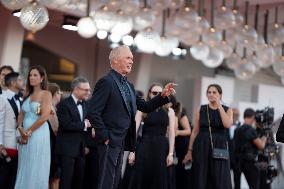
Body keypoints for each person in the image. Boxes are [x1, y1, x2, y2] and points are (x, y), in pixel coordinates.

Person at [87, 45, 176, 189]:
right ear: (115, 60)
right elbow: (93, 111)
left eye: (132, 59)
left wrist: (163, 95)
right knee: (106, 182)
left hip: (122, 141)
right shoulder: (106, 82)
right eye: (128, 58)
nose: (131, 61)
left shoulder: (129, 85)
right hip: (109, 140)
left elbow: (146, 107)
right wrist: (105, 136)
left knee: (115, 182)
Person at [183, 84, 233, 189]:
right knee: (201, 174)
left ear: (220, 94)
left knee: (219, 175)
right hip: (202, 145)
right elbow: (195, 131)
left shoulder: (227, 109)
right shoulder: (201, 109)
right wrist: (190, 150)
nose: (211, 94)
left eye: (214, 92)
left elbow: (227, 124)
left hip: (219, 146)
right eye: (209, 92)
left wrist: (219, 106)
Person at [127, 83, 176, 189]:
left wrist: (171, 153)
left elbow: (172, 133)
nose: (157, 95)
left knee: (159, 177)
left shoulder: (169, 111)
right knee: (142, 175)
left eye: (160, 93)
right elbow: (134, 130)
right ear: (149, 94)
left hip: (161, 147)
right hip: (145, 145)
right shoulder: (143, 109)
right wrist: (132, 151)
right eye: (154, 93)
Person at [14, 65, 52, 189]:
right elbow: (21, 114)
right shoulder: (27, 94)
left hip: (38, 134)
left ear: (42, 78)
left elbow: (45, 116)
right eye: (30, 75)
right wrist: (20, 129)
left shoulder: (46, 94)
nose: (31, 77)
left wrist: (28, 132)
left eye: (35, 75)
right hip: (24, 134)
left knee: (35, 164)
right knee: (24, 165)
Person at [56, 76, 92, 189]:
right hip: (67, 149)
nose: (88, 92)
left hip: (81, 149)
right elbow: (66, 125)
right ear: (76, 89)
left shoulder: (87, 104)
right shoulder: (64, 104)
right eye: (86, 90)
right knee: (66, 181)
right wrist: (85, 124)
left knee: (78, 181)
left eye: (89, 90)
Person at [0, 72, 24, 189]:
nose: (23, 82)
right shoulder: (2, 98)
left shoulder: (20, 99)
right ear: (14, 83)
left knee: (12, 180)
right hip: (5, 145)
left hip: (17, 145)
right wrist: (0, 144)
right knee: (3, 178)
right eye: (20, 80)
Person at [234, 108, 267, 189]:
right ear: (252, 117)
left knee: (237, 186)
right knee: (255, 186)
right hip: (249, 162)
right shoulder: (250, 130)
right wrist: (265, 135)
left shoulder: (237, 130)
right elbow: (262, 146)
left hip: (238, 162)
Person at [172, 100, 191, 189]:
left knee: (181, 171)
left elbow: (188, 130)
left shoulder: (181, 115)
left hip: (182, 146)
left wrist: (177, 132)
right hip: (173, 145)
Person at [47, 83, 62, 189]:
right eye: (59, 92)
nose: (60, 95)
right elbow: (56, 129)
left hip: (53, 147)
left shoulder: (54, 108)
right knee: (53, 177)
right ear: (54, 93)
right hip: (51, 147)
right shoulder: (50, 108)